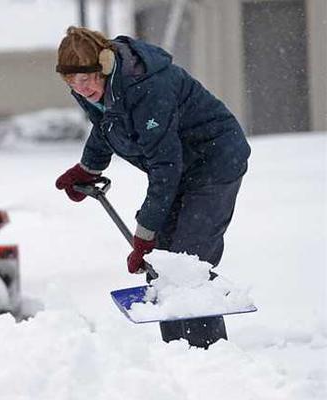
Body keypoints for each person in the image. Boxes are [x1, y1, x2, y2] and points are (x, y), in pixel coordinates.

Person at [54, 27, 251, 348]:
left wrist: (144, 234)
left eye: (87, 78)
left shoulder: (148, 87)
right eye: (72, 81)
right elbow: (107, 125)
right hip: (179, 165)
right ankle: (177, 351)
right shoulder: (96, 89)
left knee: (188, 262)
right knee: (162, 261)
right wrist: (88, 169)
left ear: (104, 64)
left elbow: (165, 167)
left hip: (215, 161)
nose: (81, 87)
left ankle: (210, 357)